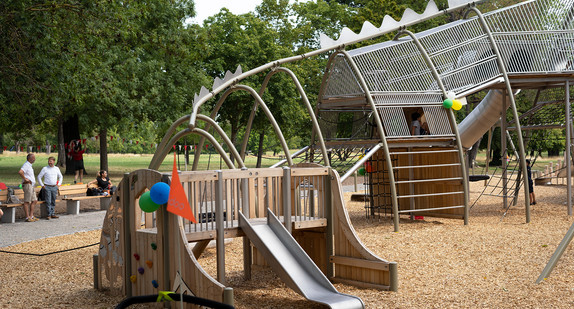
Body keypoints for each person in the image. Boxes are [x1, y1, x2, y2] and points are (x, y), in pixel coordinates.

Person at [18, 153, 39, 222]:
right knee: (27, 201)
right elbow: (20, 172)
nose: (35, 159)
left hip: (31, 185)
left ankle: (31, 216)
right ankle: (27, 217)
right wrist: (25, 179)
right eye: (34, 158)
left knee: (34, 200)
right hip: (27, 185)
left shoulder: (29, 165)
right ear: (30, 159)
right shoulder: (26, 165)